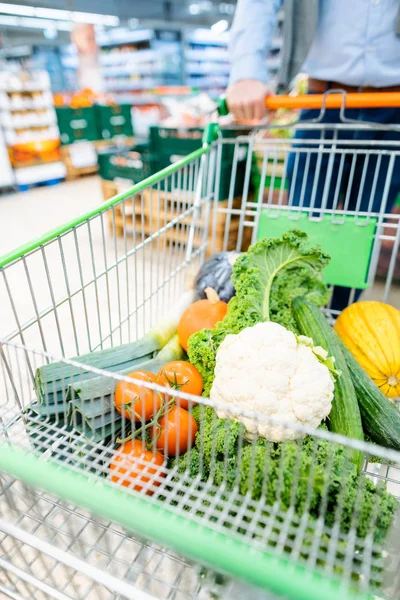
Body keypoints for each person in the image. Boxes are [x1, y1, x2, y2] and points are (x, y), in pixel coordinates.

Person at [227, 0, 400, 309]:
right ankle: (289, 311)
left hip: (394, 110)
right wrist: (246, 72)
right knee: (300, 229)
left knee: (363, 235)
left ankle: (339, 318)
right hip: (323, 102)